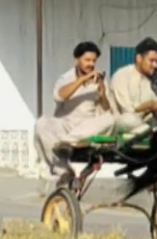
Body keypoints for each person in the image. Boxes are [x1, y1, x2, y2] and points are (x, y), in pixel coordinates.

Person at [34, 41, 114, 181]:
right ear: (77, 60)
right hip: (66, 125)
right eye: (87, 60)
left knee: (110, 120)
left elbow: (107, 109)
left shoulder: (99, 80)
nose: (91, 64)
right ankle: (64, 170)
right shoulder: (66, 78)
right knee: (41, 123)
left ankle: (66, 142)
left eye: (94, 61)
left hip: (87, 128)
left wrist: (102, 95)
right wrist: (82, 80)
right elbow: (59, 96)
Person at [109, 36, 157, 137]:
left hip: (143, 124)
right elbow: (127, 111)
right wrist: (148, 105)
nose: (155, 65)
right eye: (151, 60)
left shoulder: (150, 82)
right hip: (121, 123)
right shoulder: (121, 75)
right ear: (139, 58)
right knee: (129, 119)